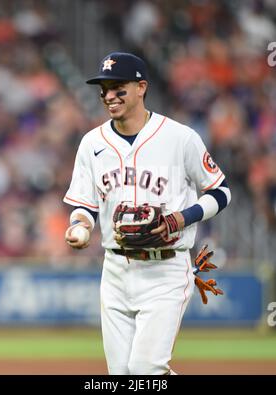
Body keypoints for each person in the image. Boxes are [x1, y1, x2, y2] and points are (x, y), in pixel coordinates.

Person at [64, 52, 231, 375]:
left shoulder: (179, 138)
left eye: (118, 87)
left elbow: (221, 192)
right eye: (104, 89)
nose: (109, 96)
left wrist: (180, 218)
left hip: (165, 267)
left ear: (141, 87)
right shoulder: (91, 143)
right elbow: (84, 204)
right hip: (115, 269)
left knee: (146, 370)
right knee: (121, 375)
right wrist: (80, 225)